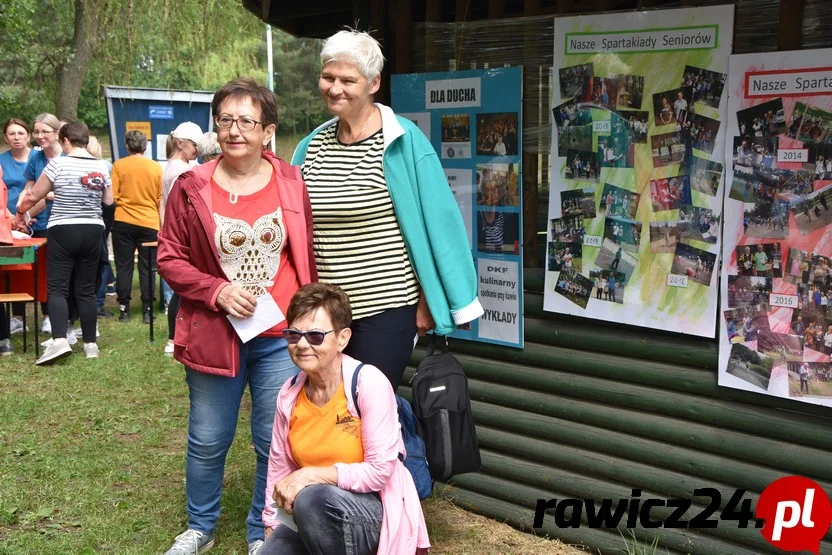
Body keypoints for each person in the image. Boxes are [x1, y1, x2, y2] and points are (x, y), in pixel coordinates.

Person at [157, 77, 317, 555]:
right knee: (208, 438)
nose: (234, 130)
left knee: (272, 439)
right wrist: (217, 290)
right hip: (214, 333)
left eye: (247, 121)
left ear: (268, 131)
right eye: (225, 119)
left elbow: (306, 253)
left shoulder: (292, 180)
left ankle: (261, 527)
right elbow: (169, 257)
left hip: (280, 337)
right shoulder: (191, 186)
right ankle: (199, 527)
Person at [292, 29, 482, 389]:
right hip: (324, 312)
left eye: (348, 80)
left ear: (373, 82)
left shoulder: (402, 141)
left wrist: (429, 301)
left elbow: (440, 223)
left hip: (387, 309)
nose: (334, 88)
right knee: (330, 408)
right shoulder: (310, 146)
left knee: (366, 406)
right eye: (328, 77)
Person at [260, 282, 430, 555]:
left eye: (315, 336)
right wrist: (270, 521)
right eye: (293, 335)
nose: (302, 345)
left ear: (342, 338)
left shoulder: (368, 383)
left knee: (313, 499)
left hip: (376, 510)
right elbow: (279, 466)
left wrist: (312, 475)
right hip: (314, 508)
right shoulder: (289, 393)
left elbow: (379, 472)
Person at [14, 121, 113, 365]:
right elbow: (108, 201)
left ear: (66, 141)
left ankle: (59, 340)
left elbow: (34, 195)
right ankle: (90, 344)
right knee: (86, 288)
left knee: (57, 287)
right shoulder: (102, 165)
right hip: (92, 230)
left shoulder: (58, 163)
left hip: (63, 229)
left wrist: (20, 212)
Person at [160, 122, 203, 355]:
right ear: (180, 143)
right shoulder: (181, 170)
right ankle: (173, 337)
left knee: (180, 289)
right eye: (194, 145)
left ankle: (175, 336)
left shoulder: (172, 166)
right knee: (182, 289)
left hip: (176, 231)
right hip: (184, 233)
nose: (197, 149)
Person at [111, 130, 163, 323]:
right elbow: (159, 197)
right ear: (145, 146)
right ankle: (147, 309)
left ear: (127, 146)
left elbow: (114, 196)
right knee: (148, 267)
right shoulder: (156, 168)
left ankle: (124, 308)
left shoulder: (119, 165)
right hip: (149, 222)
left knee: (123, 266)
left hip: (123, 221)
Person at [21, 113, 63, 334]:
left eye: (44, 131)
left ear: (56, 133)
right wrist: (21, 213)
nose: (39, 136)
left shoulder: (67, 156)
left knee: (57, 272)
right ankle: (44, 315)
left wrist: (45, 196)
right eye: (36, 131)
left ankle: (58, 318)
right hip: (38, 223)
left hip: (62, 223)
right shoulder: (36, 158)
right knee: (40, 270)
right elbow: (28, 189)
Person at [0, 118, 33, 341]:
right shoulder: (1, 160)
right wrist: (10, 218)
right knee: (13, 269)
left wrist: (27, 215)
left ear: (28, 135)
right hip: (7, 225)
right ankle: (18, 318)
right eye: (12, 134)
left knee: (40, 268)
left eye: (20, 133)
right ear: (5, 138)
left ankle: (49, 314)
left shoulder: (37, 157)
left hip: (36, 219)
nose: (17, 137)